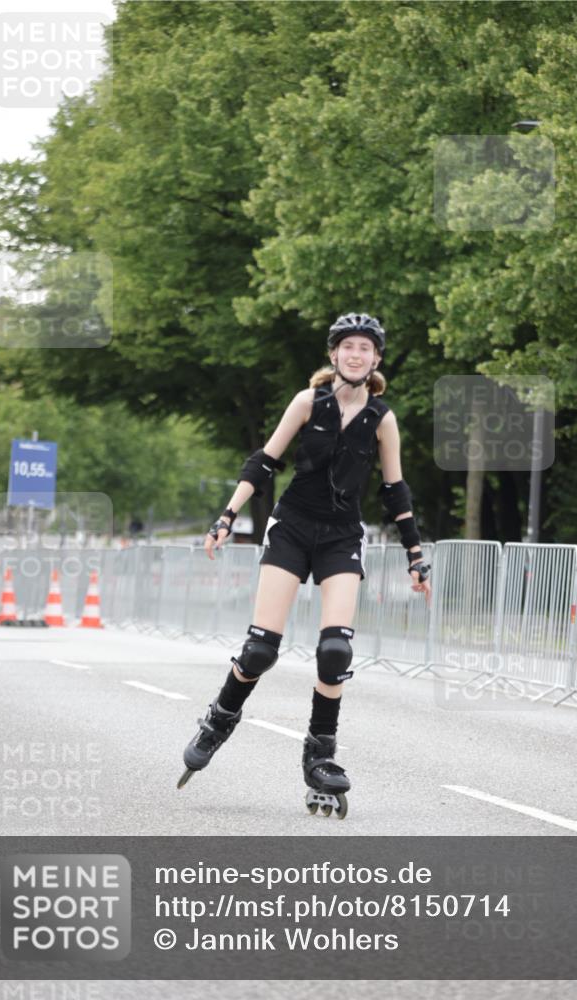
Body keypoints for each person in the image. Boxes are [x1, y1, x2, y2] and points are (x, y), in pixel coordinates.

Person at [177, 313, 432, 817]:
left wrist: (415, 554)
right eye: (347, 347)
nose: (356, 354)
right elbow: (264, 461)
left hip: (341, 537)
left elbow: (394, 490)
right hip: (292, 527)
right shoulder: (307, 402)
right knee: (259, 651)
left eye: (365, 348)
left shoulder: (382, 418)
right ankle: (218, 720)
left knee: (335, 651)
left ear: (376, 359)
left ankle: (320, 756)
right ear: (333, 355)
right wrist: (226, 516)